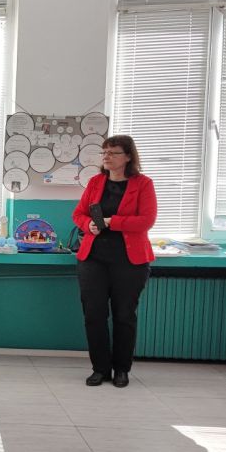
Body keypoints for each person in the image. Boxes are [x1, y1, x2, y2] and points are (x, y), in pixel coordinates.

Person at [72, 135, 157, 388]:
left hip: (129, 262)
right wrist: (88, 224)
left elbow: (146, 220)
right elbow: (78, 214)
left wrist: (112, 222)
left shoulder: (143, 184)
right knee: (94, 315)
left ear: (128, 156)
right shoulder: (96, 182)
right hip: (93, 260)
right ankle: (100, 369)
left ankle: (121, 369)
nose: (106, 157)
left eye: (113, 152)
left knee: (124, 316)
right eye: (104, 152)